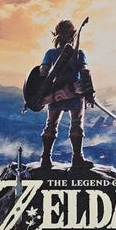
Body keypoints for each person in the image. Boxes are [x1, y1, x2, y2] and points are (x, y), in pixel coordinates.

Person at [40, 20, 94, 169]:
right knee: (76, 124)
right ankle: (77, 159)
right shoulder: (79, 53)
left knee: (51, 125)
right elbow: (84, 72)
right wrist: (89, 92)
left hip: (55, 95)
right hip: (75, 94)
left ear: (56, 35)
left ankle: (46, 159)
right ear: (73, 35)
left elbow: (43, 73)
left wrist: (44, 91)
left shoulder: (50, 53)